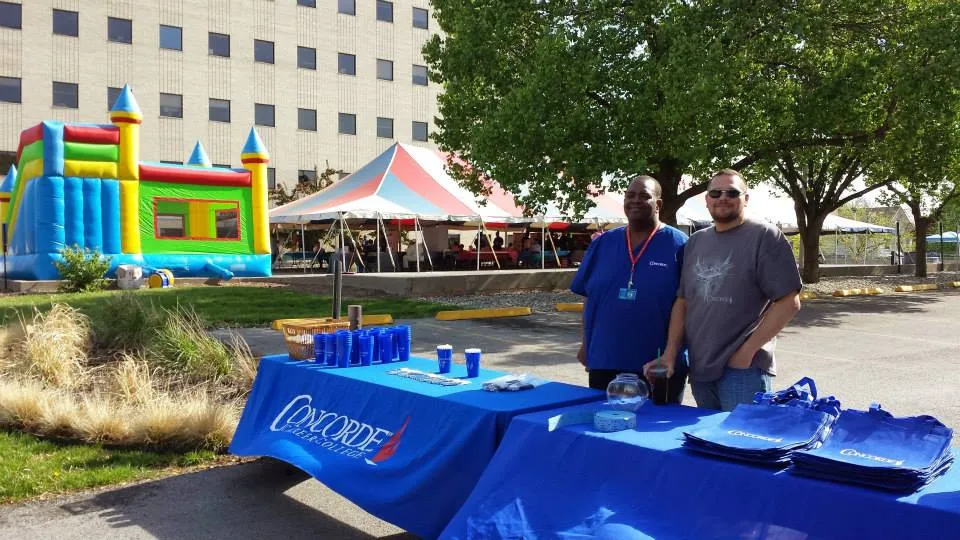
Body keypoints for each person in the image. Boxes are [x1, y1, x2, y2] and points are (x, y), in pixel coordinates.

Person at [645, 169, 802, 411]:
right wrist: (670, 354)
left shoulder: (765, 236)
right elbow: (683, 302)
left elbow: (789, 301)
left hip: (743, 371)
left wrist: (748, 351)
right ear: (706, 200)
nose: (723, 198)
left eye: (732, 192)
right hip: (700, 368)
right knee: (710, 445)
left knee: (742, 444)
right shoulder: (696, 242)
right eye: (715, 193)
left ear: (746, 199)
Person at [571, 175, 689, 402]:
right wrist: (587, 344)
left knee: (650, 434)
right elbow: (589, 298)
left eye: (644, 196)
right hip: (605, 359)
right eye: (630, 195)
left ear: (659, 204)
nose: (635, 201)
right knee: (604, 426)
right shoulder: (603, 243)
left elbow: (686, 305)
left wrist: (671, 354)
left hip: (657, 366)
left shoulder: (680, 245)